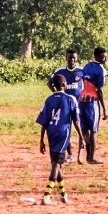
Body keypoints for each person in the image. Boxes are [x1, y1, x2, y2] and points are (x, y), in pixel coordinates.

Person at [36, 74, 80, 205]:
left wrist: (41, 140)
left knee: (56, 163)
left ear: (54, 85)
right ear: (65, 84)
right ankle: (46, 196)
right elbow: (76, 121)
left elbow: (44, 121)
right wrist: (82, 138)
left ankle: (63, 194)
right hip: (63, 133)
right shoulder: (70, 98)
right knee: (56, 164)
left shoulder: (48, 99)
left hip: (51, 133)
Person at [53, 48, 85, 162]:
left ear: (77, 58)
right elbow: (49, 82)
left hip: (79, 105)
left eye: (74, 58)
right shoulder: (60, 71)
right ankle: (70, 154)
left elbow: (88, 84)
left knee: (81, 129)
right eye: (70, 57)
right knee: (66, 129)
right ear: (66, 57)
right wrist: (57, 94)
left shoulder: (82, 71)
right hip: (65, 105)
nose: (72, 59)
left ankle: (79, 155)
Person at [80, 47, 108, 164]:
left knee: (85, 130)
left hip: (82, 99)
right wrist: (105, 109)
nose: (105, 59)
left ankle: (87, 156)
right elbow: (99, 90)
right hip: (92, 101)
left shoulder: (86, 66)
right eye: (103, 57)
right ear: (97, 56)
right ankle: (91, 157)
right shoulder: (101, 70)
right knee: (93, 130)